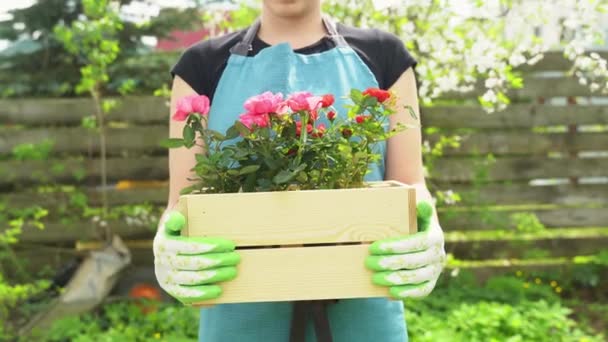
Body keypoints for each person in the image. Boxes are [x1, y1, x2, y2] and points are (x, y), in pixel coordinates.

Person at [153, 1, 446, 341]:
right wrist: (169, 246)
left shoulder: (383, 55)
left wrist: (428, 232)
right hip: (241, 314)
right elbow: (183, 202)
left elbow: (411, 185)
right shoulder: (201, 65)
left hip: (361, 310)